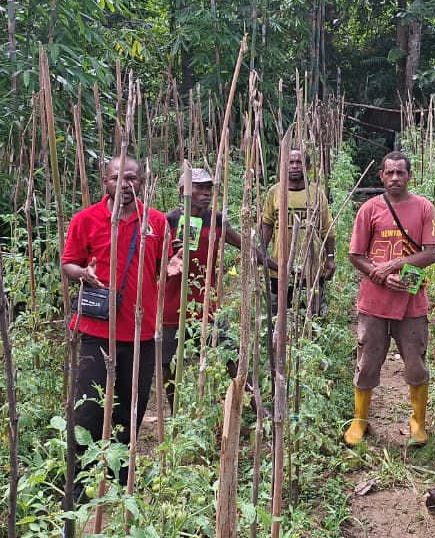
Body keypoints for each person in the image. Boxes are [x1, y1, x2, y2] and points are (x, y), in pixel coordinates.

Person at [60, 154, 170, 491]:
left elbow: (162, 266)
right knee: (89, 409)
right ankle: (77, 482)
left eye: (132, 178)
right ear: (105, 182)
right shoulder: (86, 219)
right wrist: (85, 274)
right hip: (94, 330)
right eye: (117, 178)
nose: (125, 184)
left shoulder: (155, 221)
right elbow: (68, 264)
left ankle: (120, 476)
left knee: (130, 407)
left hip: (139, 332)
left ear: (142, 182)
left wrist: (173, 267)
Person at [344, 151, 435, 447]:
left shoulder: (424, 208)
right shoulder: (369, 210)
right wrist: (381, 275)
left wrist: (394, 266)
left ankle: (418, 422)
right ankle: (360, 421)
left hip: (412, 302)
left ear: (409, 176)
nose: (395, 177)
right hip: (373, 302)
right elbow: (355, 254)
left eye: (401, 172)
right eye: (390, 173)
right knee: (368, 361)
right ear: (381, 176)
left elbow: (431, 253)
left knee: (415, 363)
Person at [161, 167, 242, 408]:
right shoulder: (169, 221)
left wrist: (275, 265)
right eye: (199, 187)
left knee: (230, 355)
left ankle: (244, 405)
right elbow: (153, 262)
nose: (205, 193)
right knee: (168, 363)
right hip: (172, 305)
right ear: (182, 190)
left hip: (207, 305)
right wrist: (168, 253)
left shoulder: (216, 221)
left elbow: (244, 245)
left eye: (209, 188)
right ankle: (174, 410)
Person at [259, 148, 337, 316]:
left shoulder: (317, 194)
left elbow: (327, 230)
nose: (294, 166)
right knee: (278, 316)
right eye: (290, 162)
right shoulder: (274, 192)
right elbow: (267, 224)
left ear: (307, 167)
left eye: (299, 162)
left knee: (311, 316)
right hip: (278, 267)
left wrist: (330, 259)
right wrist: (262, 253)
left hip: (312, 267)